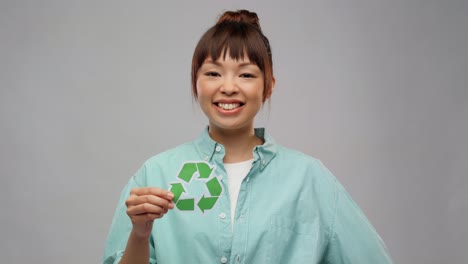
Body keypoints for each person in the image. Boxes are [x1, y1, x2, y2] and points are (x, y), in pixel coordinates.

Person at [103, 9, 393, 264]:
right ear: (196, 82)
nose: (228, 87)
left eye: (246, 75)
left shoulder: (310, 180)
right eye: (214, 73)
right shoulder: (156, 175)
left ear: (269, 86)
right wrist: (140, 235)